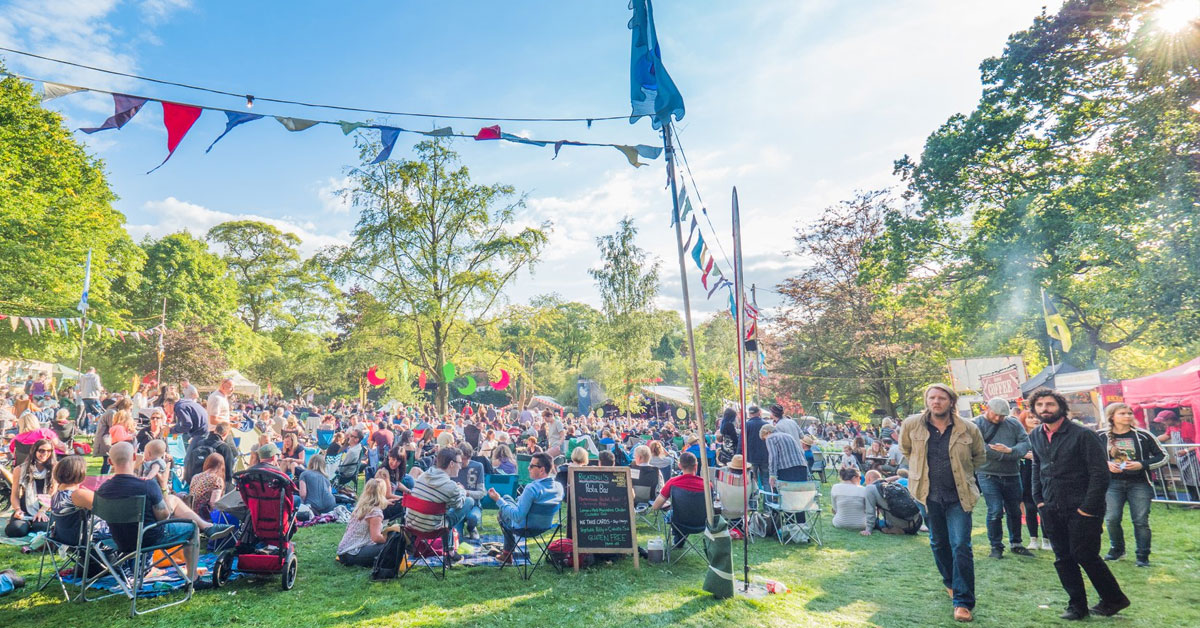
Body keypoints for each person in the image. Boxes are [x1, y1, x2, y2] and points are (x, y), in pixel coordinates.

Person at [1028, 388, 1129, 620]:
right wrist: (1039, 500)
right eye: (1040, 405)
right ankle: (1077, 606)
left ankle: (1114, 599)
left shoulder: (1082, 435)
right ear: (1034, 409)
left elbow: (1100, 474)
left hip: (1082, 508)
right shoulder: (1035, 434)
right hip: (1051, 507)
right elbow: (1037, 467)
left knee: (1085, 555)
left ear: (1060, 407)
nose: (1045, 408)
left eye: (1050, 404)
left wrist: (1087, 508)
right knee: (1063, 558)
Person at [899, 383, 986, 623]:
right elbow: (906, 451)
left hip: (959, 496)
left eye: (941, 398)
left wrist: (963, 474)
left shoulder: (968, 429)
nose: (936, 402)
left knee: (961, 545)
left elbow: (979, 456)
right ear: (927, 401)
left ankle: (963, 602)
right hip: (927, 495)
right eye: (932, 398)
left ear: (951, 402)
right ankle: (950, 582)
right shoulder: (911, 425)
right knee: (938, 543)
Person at [95, 443, 233, 582]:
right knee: (192, 528)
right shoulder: (147, 485)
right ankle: (193, 578)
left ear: (109, 461)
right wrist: (163, 485)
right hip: (148, 538)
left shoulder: (103, 490)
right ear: (134, 457)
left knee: (173, 500)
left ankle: (208, 527)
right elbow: (164, 515)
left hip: (119, 540)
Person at [1103, 402, 1167, 568]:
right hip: (1112, 483)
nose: (1127, 416)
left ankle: (1142, 555)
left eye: (1129, 413)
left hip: (1139, 483)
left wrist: (1142, 464)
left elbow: (1163, 456)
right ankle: (1117, 549)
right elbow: (1088, 457)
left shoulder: (1144, 435)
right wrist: (1107, 464)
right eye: (1122, 413)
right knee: (1111, 518)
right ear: (1112, 417)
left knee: (1140, 521)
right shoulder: (1100, 436)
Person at [972, 397, 1033, 559]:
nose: (999, 418)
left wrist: (1010, 451)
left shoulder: (1013, 423)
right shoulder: (976, 424)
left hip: (1012, 474)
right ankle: (996, 546)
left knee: (1014, 510)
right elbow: (978, 447)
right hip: (987, 473)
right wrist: (1005, 455)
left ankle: (1016, 543)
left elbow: (1025, 442)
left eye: (1002, 415)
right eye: (996, 414)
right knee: (995, 510)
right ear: (987, 409)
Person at [489, 451, 563, 563]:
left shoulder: (532, 488)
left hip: (524, 528)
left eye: (532, 466)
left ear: (542, 469)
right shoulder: (559, 487)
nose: (528, 468)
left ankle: (507, 554)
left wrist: (498, 500)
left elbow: (517, 516)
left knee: (503, 509)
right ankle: (506, 553)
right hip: (545, 526)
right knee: (508, 498)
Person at [406, 447, 475, 537]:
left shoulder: (424, 475)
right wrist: (462, 490)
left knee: (445, 507)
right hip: (432, 530)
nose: (460, 467)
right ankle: (449, 546)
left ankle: (449, 545)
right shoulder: (451, 487)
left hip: (411, 526)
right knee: (469, 501)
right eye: (459, 463)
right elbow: (459, 504)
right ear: (451, 464)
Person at [336, 478, 398, 567]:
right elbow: (376, 538)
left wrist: (385, 502)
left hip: (343, 552)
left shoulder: (361, 507)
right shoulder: (375, 513)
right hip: (353, 554)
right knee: (392, 545)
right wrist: (389, 538)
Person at [649, 452, 705, 548]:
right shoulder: (707, 485)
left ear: (679, 466)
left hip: (679, 521)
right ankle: (680, 540)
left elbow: (656, 506)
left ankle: (679, 540)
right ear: (696, 465)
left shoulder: (673, 482)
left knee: (673, 512)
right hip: (702, 522)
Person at [7, 438, 56, 537]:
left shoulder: (55, 468)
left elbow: (53, 493)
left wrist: (42, 511)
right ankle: (25, 523)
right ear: (34, 451)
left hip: (45, 508)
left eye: (49, 451)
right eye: (41, 450)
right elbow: (14, 494)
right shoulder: (20, 469)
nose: (45, 453)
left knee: (41, 529)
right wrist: (17, 509)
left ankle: (34, 523)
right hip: (25, 507)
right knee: (15, 530)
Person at [1017, 410, 1047, 550]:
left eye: (1036, 417)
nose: (1034, 420)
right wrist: (1025, 454)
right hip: (1026, 474)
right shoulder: (1020, 436)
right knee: (1029, 508)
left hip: (1043, 475)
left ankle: (1047, 540)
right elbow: (1014, 451)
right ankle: (1033, 539)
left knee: (1044, 508)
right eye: (1030, 417)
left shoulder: (1045, 435)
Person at [48, 455, 94, 546]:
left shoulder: (56, 495)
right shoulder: (77, 495)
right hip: (88, 542)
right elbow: (108, 508)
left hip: (64, 540)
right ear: (80, 473)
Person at [864, 469, 922, 534]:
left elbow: (870, 511)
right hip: (917, 522)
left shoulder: (870, 488)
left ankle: (896, 529)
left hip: (903, 525)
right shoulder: (895, 485)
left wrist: (868, 529)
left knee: (877, 522)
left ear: (868, 479)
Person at [455, 442, 486, 540]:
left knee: (473, 517)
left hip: (474, 506)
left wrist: (466, 492)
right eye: (460, 459)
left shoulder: (478, 466)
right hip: (457, 507)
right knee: (457, 538)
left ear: (469, 457)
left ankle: (471, 528)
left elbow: (481, 493)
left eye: (465, 459)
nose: (462, 462)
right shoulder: (453, 466)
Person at [830, 467, 873, 534]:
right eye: (860, 478)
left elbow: (835, 509)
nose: (861, 480)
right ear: (854, 478)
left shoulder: (835, 487)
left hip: (839, 523)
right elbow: (868, 510)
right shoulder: (863, 490)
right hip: (861, 524)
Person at [189, 453, 226, 520]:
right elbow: (213, 503)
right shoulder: (217, 480)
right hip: (203, 517)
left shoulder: (196, 476)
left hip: (191, 513)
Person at [744, 406, 769, 488]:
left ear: (750, 414)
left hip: (751, 457)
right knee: (766, 480)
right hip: (765, 456)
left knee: (752, 480)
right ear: (759, 413)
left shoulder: (747, 425)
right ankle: (768, 499)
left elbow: (742, 442)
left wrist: (739, 454)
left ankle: (754, 499)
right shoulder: (766, 425)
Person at [78, 367, 103, 433]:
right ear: (94, 370)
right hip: (93, 396)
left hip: (85, 397)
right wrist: (101, 389)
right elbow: (97, 386)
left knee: (89, 413)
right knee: (98, 412)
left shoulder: (82, 377)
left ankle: (86, 429)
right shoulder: (95, 376)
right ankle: (95, 429)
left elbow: (80, 387)